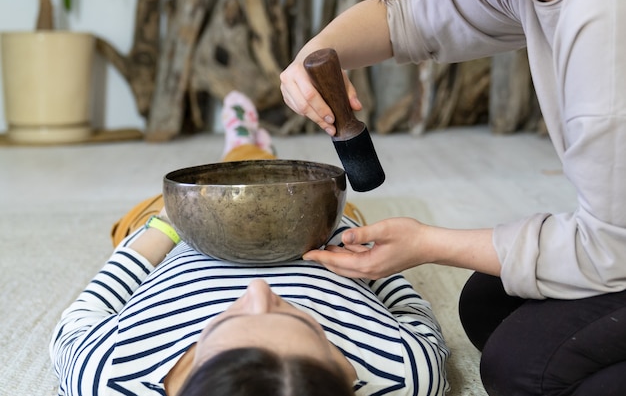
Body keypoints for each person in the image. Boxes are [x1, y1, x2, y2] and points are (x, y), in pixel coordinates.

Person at [279, 0, 626, 395]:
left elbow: (611, 249)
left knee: (526, 367)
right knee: (488, 304)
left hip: (616, 247)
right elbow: (401, 19)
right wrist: (310, 58)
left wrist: (428, 244)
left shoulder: (607, 21)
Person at [49, 91, 449, 396]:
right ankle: (252, 144)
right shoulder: (404, 371)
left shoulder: (108, 373)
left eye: (224, 322)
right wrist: (339, 230)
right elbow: (408, 307)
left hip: (181, 235)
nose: (259, 289)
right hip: (321, 232)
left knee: (147, 212)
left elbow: (92, 306)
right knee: (296, 184)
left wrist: (169, 225)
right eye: (301, 321)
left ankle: (244, 140)